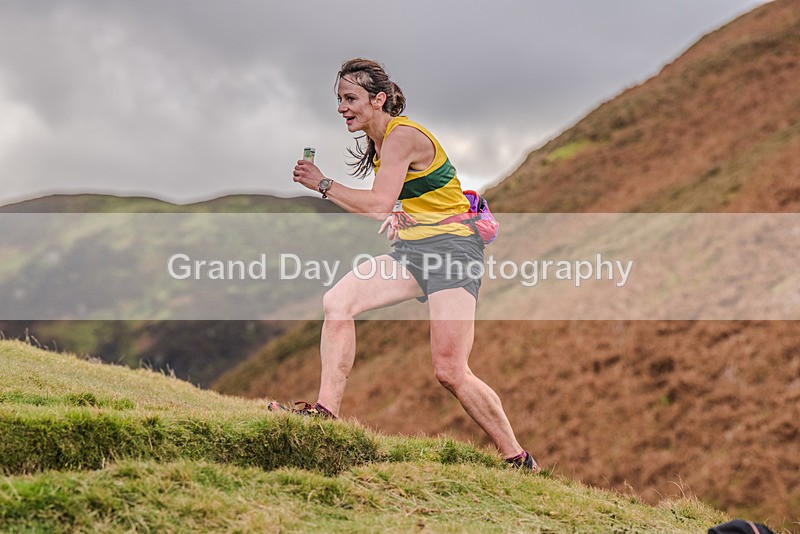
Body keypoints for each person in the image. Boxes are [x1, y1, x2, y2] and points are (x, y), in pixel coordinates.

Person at [270, 58, 539, 472]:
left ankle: (518, 460)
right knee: (338, 302)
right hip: (415, 253)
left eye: (350, 98)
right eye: (339, 99)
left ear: (378, 100)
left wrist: (323, 184)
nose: (342, 107)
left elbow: (377, 204)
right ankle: (325, 416)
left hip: (452, 254)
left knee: (450, 371)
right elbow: (402, 198)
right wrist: (404, 213)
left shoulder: (401, 137)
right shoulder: (379, 145)